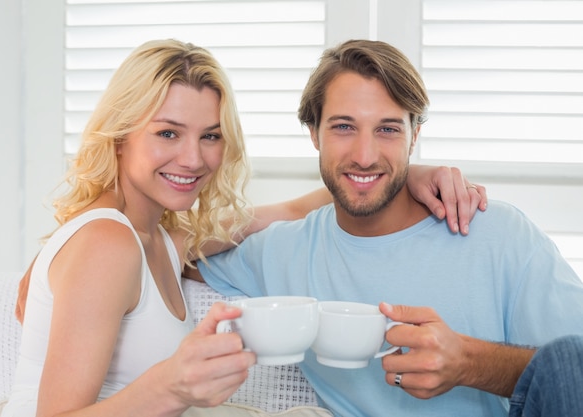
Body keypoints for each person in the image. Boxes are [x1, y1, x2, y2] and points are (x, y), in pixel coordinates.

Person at [2, 39, 487, 417]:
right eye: (167, 132)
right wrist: (171, 386)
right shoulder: (107, 242)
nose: (192, 158)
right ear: (120, 136)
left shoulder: (164, 240)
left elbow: (295, 209)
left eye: (210, 136)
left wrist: (403, 173)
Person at [186, 40, 583, 417]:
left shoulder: (497, 233)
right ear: (313, 134)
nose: (364, 155)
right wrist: (297, 206)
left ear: (415, 137)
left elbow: (574, 372)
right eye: (343, 127)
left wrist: (470, 363)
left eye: (388, 129)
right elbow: (170, 242)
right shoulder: (278, 251)